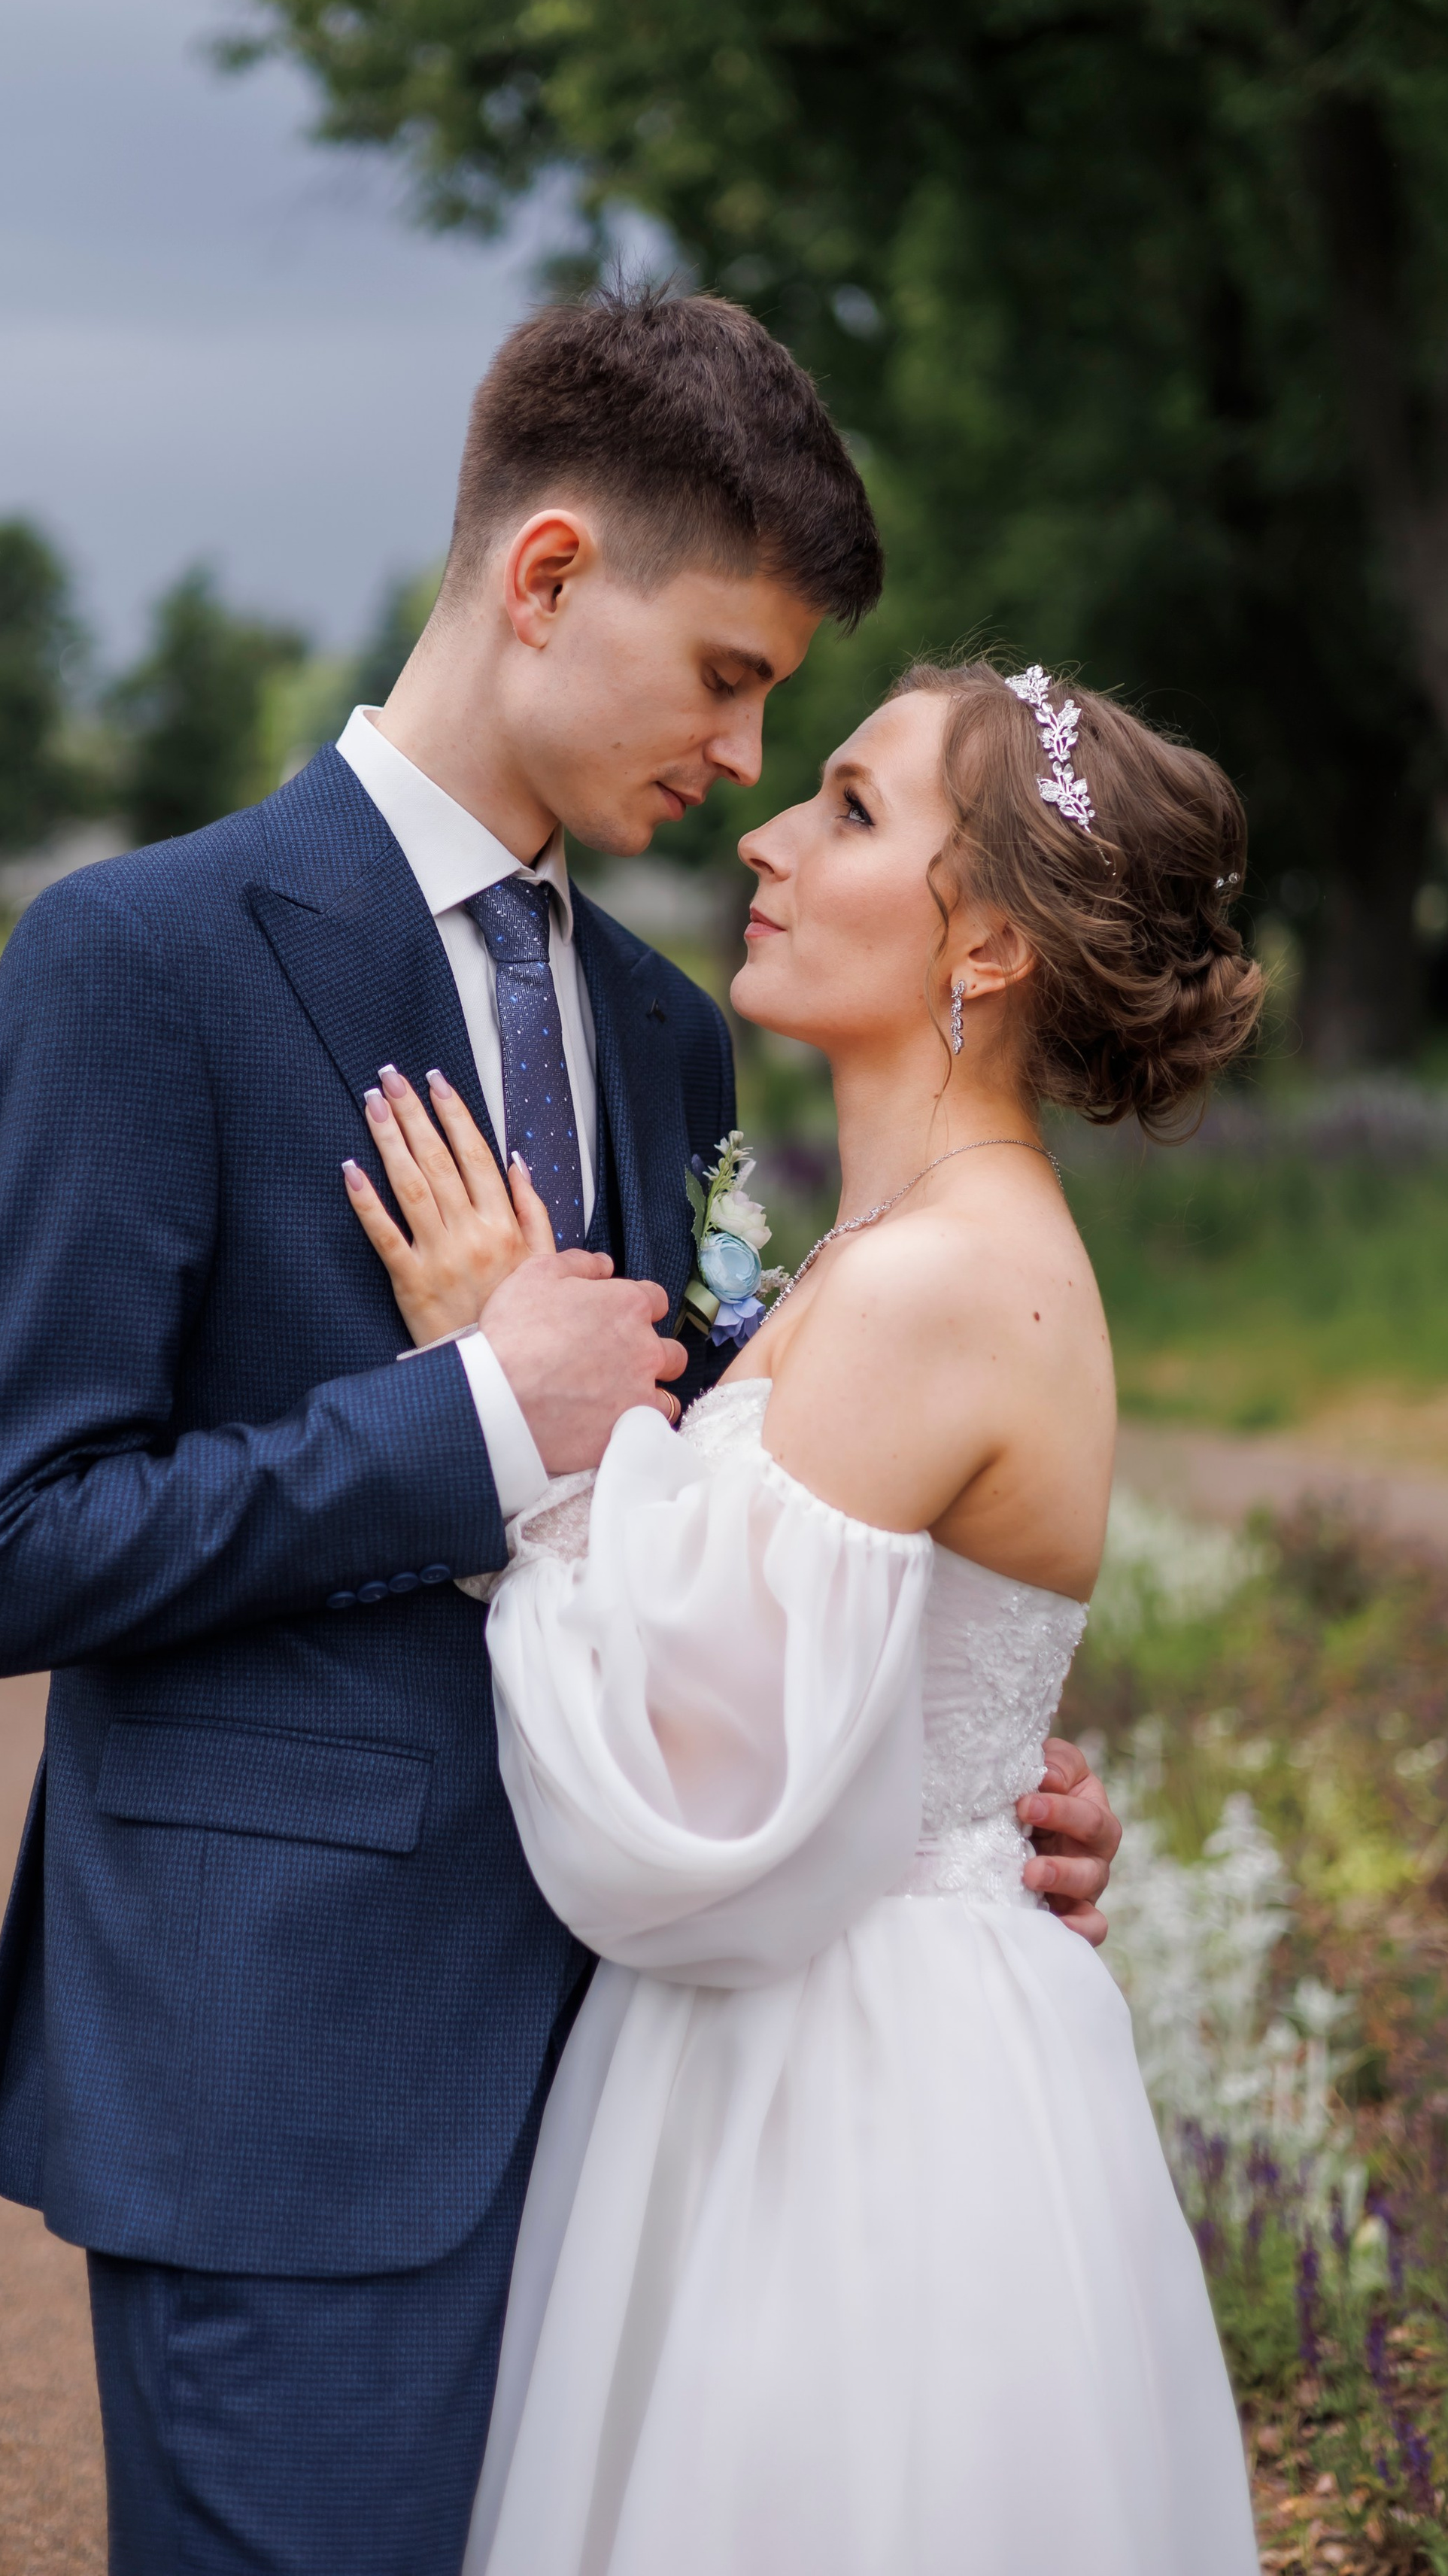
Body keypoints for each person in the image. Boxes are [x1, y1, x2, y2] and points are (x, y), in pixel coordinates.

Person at [0, 287, 1125, 2576]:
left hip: (658, 2108)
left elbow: (714, 1522)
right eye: (731, 677)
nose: (751, 764)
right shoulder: (137, 962)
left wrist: (935, 1777)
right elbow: (4, 1551)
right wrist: (469, 1422)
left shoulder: (677, 1038)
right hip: (293, 2096)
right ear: (550, 577)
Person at [346, 653, 1265, 2573]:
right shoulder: (884, 1257)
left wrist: (504, 1394)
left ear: (989, 942)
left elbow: (684, 1786)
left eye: (848, 809)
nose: (761, 831)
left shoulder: (939, 1280)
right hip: (820, 2022)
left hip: (850, 2096)